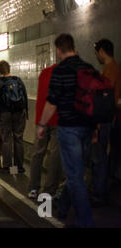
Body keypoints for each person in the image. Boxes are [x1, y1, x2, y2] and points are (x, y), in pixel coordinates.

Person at [37, 34, 95, 228]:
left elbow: (52, 102)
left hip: (69, 128)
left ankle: (85, 221)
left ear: (59, 50)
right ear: (74, 47)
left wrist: (42, 125)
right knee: (77, 172)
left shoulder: (60, 70)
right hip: (87, 128)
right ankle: (63, 204)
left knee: (75, 175)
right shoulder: (88, 68)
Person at [28, 64, 64, 199]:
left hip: (41, 118)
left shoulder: (44, 72)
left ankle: (33, 188)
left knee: (37, 153)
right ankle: (49, 191)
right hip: (58, 119)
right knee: (55, 155)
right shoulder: (67, 73)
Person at [92, 39, 121, 206]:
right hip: (110, 118)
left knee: (100, 157)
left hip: (104, 120)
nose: (96, 56)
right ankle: (100, 190)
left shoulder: (110, 70)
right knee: (104, 156)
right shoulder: (113, 68)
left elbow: (104, 99)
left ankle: (99, 193)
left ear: (102, 51)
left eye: (97, 53)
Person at [0, 61, 28, 174]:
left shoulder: (0, 82)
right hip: (19, 113)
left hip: (5, 112)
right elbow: (24, 96)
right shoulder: (18, 80)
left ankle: (7, 167)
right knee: (18, 138)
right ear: (9, 68)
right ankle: (19, 167)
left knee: (6, 139)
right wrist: (25, 112)